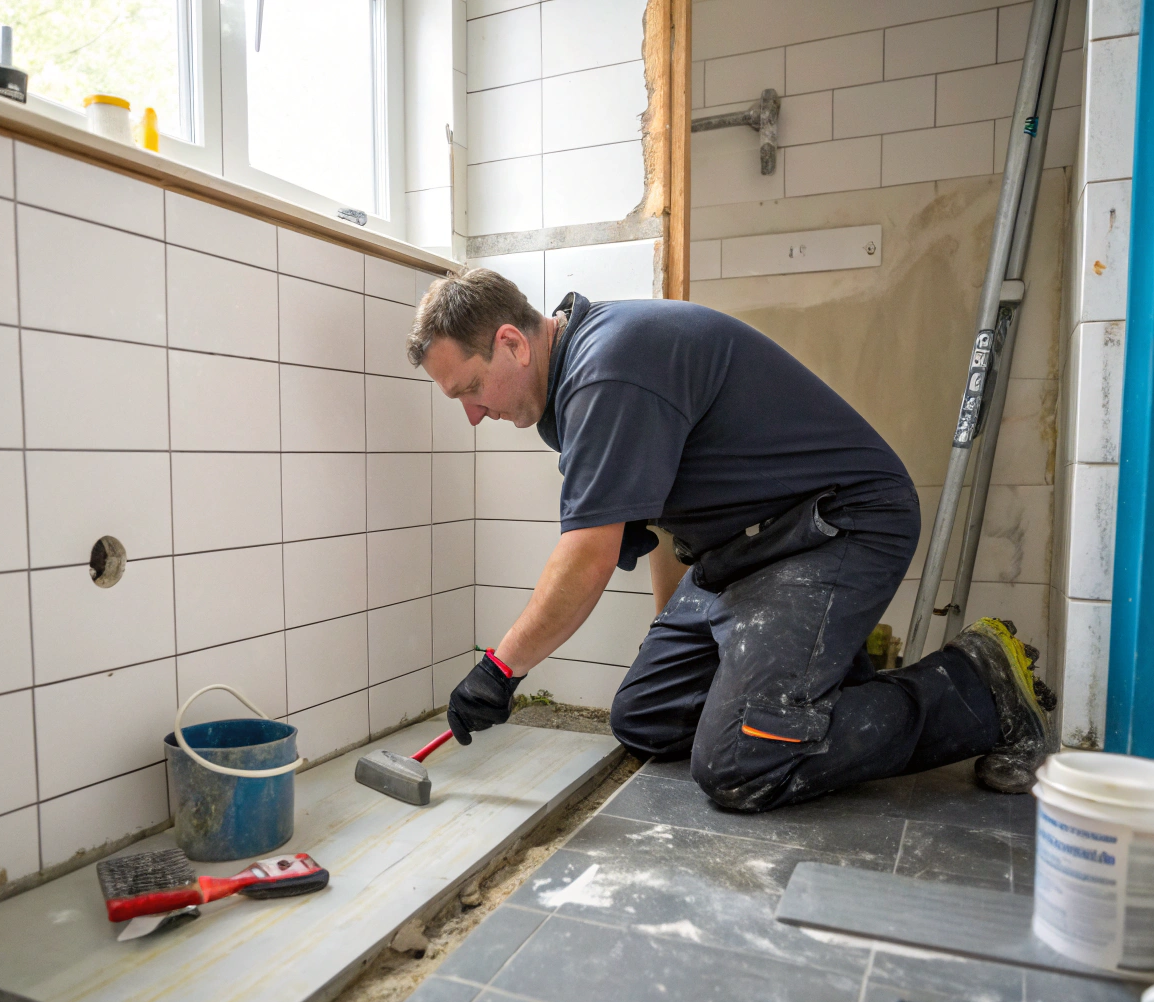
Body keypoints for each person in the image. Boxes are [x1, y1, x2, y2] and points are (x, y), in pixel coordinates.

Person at [408, 268, 1056, 812]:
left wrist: (502, 669)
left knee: (740, 762)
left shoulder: (605, 371)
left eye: (470, 388)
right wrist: (674, 645)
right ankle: (810, 687)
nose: (473, 414)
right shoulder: (578, 383)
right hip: (744, 554)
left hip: (834, 528)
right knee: (646, 719)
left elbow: (587, 555)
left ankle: (978, 684)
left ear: (512, 343)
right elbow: (661, 524)